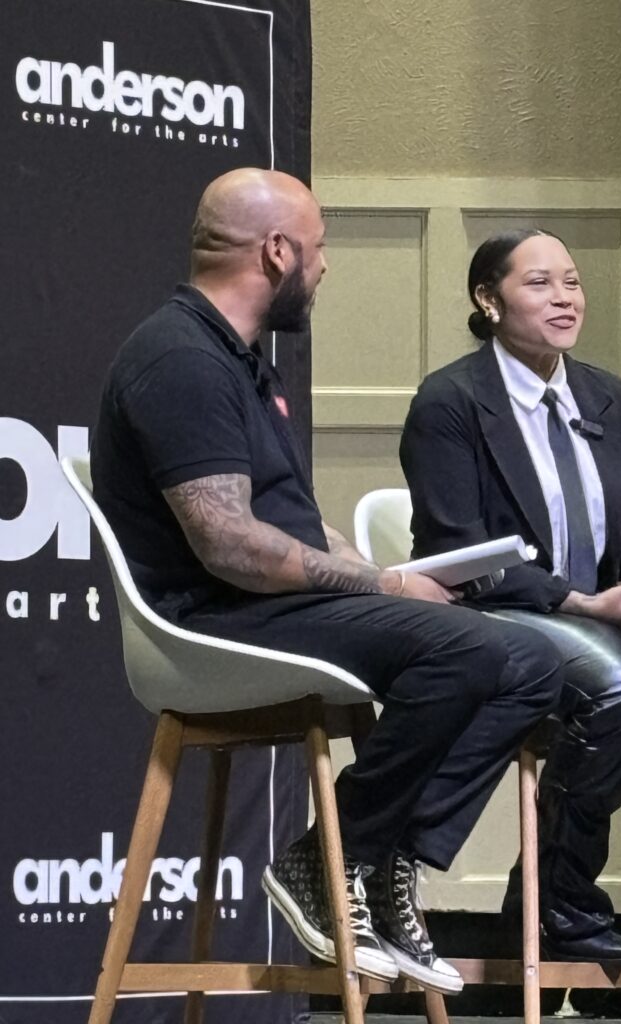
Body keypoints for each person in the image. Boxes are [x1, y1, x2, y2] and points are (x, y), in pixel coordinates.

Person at [90, 171, 565, 995]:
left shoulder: (239, 360)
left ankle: (380, 860)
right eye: (318, 249)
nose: (324, 268)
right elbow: (230, 545)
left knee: (532, 660)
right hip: (216, 621)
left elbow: (296, 527)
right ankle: (329, 854)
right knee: (466, 654)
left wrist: (404, 577)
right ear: (277, 252)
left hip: (271, 604)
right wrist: (382, 585)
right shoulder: (179, 360)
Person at [399, 228, 621, 997]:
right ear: (487, 300)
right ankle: (556, 899)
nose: (565, 298)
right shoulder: (451, 402)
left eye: (572, 282)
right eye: (540, 284)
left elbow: (619, 558)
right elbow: (459, 554)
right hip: (499, 614)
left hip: (595, 610)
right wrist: (576, 601)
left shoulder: (607, 397)